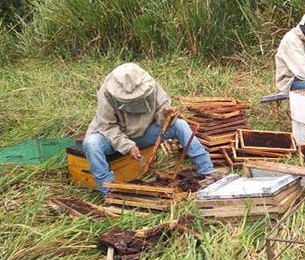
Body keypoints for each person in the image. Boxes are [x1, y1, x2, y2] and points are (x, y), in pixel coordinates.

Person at [83, 62, 214, 193]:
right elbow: (107, 126)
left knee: (180, 125)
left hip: (143, 133)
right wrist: (127, 146)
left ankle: (206, 170)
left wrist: (166, 115)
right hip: (112, 139)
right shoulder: (106, 93)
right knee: (91, 144)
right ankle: (109, 191)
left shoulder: (151, 86)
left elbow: (162, 116)